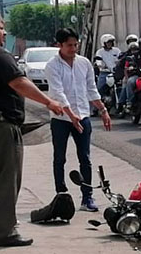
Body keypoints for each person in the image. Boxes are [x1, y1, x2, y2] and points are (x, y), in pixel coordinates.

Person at [0, 11, 79, 248]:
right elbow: (18, 82)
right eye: (1, 27)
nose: (4, 32)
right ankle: (6, 231)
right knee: (5, 180)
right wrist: (49, 102)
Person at [46, 28, 113, 212]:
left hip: (83, 116)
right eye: (69, 45)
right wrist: (70, 115)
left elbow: (91, 89)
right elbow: (57, 93)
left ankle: (87, 197)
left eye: (76, 45)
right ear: (59, 45)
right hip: (61, 118)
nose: (73, 49)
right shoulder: (52, 66)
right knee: (59, 158)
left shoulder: (84, 63)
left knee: (85, 158)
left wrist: (103, 110)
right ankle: (61, 195)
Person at [94, 34, 121, 111]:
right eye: (108, 42)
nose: (110, 44)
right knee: (99, 89)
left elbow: (121, 58)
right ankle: (96, 107)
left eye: (111, 42)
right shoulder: (100, 52)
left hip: (115, 73)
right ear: (104, 43)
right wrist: (100, 65)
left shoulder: (116, 50)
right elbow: (98, 60)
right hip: (104, 73)